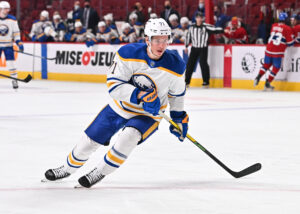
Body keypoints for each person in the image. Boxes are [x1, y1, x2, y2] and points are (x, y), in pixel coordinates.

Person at [43, 18, 188, 188]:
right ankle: (67, 168)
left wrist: (178, 117)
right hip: (120, 106)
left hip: (149, 114)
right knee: (89, 141)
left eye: (165, 40)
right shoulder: (128, 54)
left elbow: (177, 95)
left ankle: (100, 171)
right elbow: (113, 85)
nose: (161, 45)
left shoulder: (176, 65)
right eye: (157, 40)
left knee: (129, 137)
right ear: (147, 39)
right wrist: (140, 95)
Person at [254, 12, 294, 90]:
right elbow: (290, 43)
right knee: (276, 67)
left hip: (268, 49)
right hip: (277, 51)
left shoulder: (274, 25)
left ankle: (258, 77)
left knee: (266, 65)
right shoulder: (287, 28)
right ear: (286, 20)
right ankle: (267, 82)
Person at [184, 12, 225, 88]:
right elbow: (188, 36)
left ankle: (206, 81)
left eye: (200, 17)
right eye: (198, 17)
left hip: (203, 48)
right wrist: (186, 46)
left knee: (203, 64)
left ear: (202, 18)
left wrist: (223, 30)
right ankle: (186, 81)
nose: (199, 19)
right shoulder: (191, 27)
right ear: (195, 18)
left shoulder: (206, 27)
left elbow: (215, 29)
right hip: (194, 48)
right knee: (190, 64)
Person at [0, 1, 24, 89]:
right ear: (1, 9)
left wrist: (19, 43)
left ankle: (14, 81)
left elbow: (16, 33)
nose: (7, 10)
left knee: (11, 64)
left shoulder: (12, 19)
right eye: (5, 8)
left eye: (8, 8)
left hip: (8, 46)